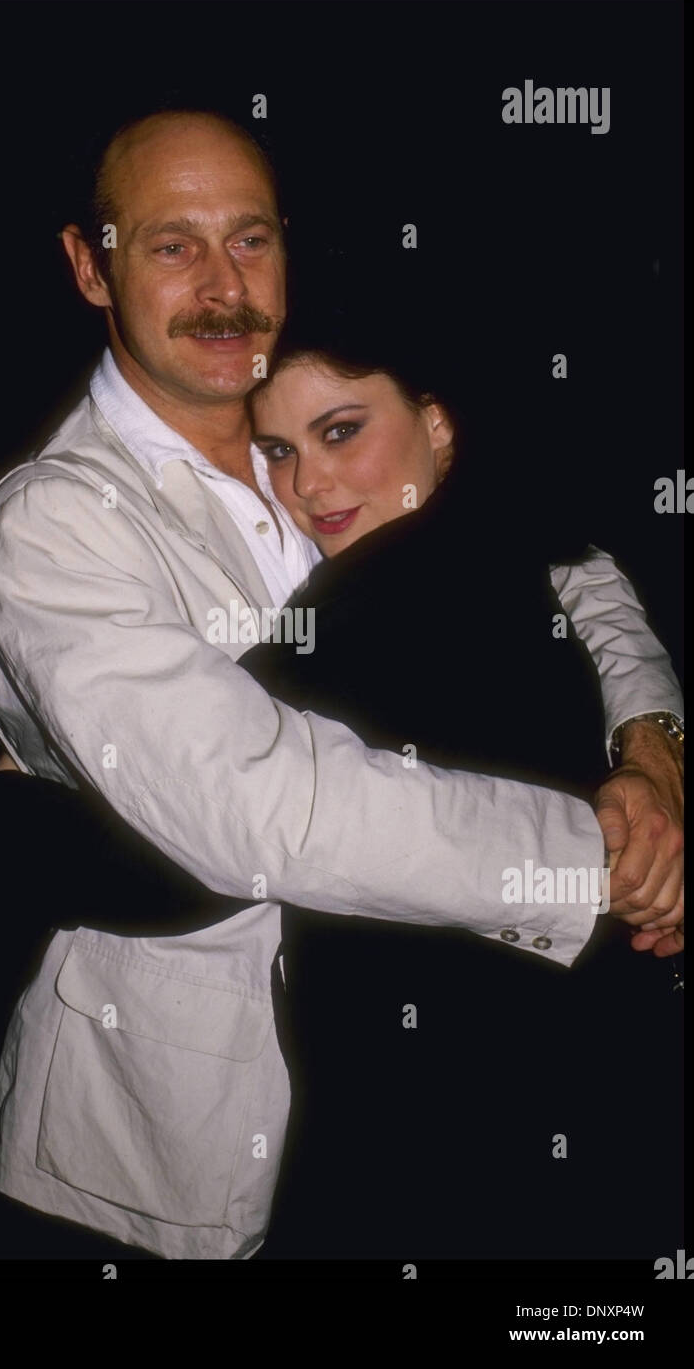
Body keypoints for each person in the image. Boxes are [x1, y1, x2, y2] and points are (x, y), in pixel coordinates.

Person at [0, 107, 683, 1260]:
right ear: (89, 267)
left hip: (406, 1085)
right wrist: (603, 858)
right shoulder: (54, 522)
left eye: (249, 238)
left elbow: (565, 559)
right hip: (165, 1150)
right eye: (169, 243)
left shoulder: (305, 415)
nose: (221, 283)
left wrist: (651, 747)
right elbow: (269, 809)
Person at [237, 337, 684, 1257]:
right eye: (280, 450)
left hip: (458, 1115)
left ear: (435, 425)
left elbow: (216, 779)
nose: (310, 483)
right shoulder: (521, 542)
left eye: (340, 431)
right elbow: (593, 580)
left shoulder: (371, 600)